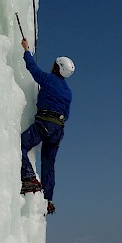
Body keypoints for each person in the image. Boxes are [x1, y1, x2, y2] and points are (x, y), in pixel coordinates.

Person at [19, 38, 75, 214]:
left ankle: (28, 176)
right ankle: (48, 199)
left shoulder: (49, 79)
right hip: (58, 129)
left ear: (57, 67)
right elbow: (67, 114)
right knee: (48, 164)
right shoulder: (68, 92)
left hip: (45, 123)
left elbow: (32, 69)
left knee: (19, 144)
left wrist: (26, 50)